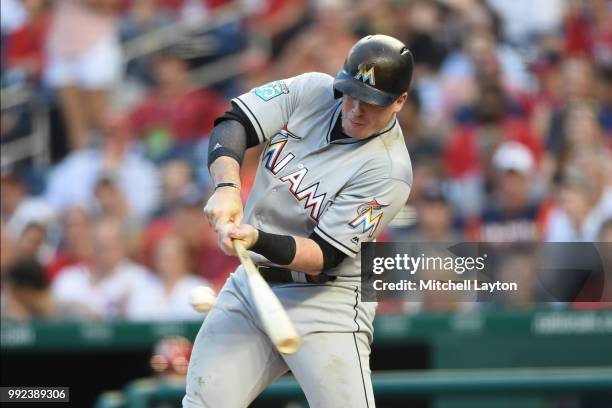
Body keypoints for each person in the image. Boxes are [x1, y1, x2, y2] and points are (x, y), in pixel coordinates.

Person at [183, 34, 414, 407]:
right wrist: (226, 186)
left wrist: (254, 237)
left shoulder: (389, 170)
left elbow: (324, 255)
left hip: (327, 300)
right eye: (352, 93)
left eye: (372, 102)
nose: (356, 108)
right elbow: (234, 121)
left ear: (399, 101)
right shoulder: (312, 90)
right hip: (253, 284)